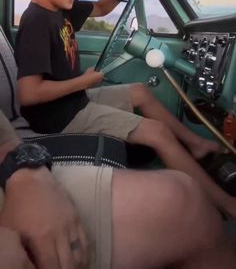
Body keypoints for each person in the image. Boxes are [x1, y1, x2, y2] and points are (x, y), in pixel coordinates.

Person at [14, 0, 236, 219]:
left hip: (73, 101)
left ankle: (196, 143)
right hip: (60, 118)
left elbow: (100, 8)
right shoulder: (36, 22)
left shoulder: (61, 11)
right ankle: (223, 203)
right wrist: (83, 82)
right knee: (157, 134)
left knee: (140, 91)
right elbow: (29, 93)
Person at [0, 110, 236, 269]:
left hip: (67, 111)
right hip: (63, 114)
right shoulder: (37, 33)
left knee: (185, 196)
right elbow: (30, 92)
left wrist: (22, 168)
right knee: (183, 205)